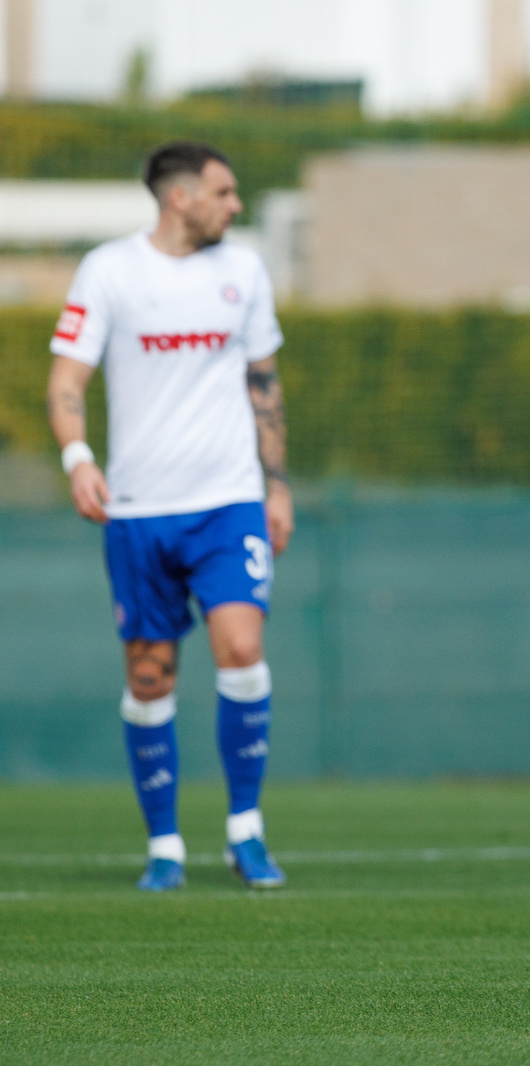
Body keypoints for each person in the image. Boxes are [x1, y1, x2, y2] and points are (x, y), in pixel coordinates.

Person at [46, 142, 292, 891]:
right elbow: (66, 379)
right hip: (140, 512)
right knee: (150, 679)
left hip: (228, 502)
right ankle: (164, 847)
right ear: (180, 197)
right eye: (225, 192)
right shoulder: (109, 270)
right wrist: (78, 457)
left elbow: (264, 382)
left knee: (241, 647)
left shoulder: (244, 272)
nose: (236, 205)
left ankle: (245, 833)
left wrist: (277, 484)